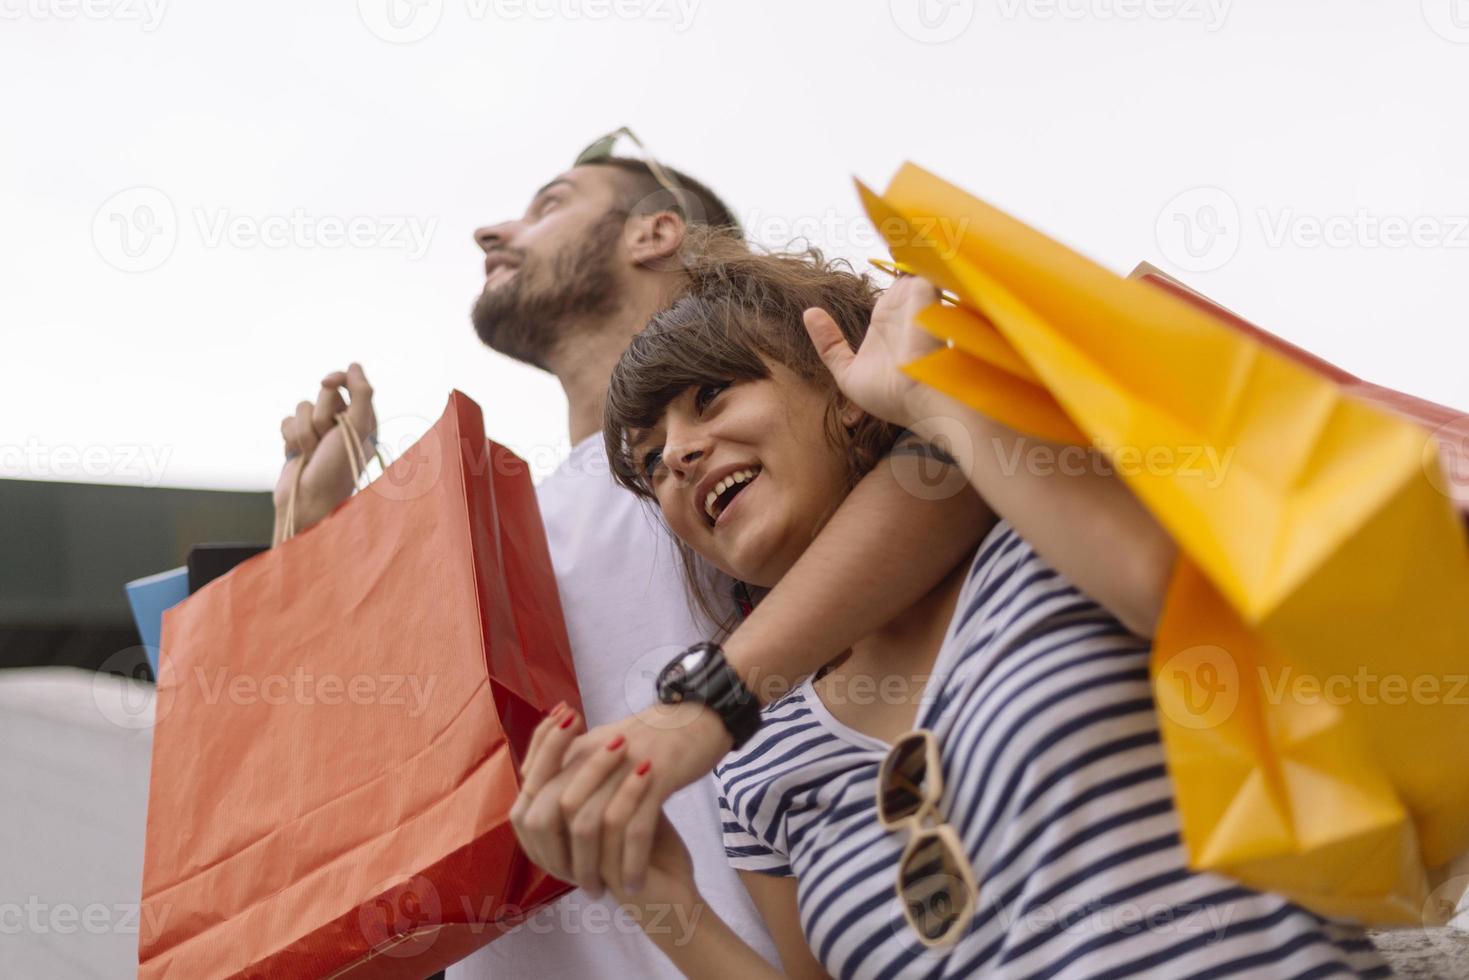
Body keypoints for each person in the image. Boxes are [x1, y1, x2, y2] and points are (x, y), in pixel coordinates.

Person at [514, 233, 1389, 977]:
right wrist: (659, 899)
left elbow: (1168, 590)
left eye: (711, 396)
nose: (678, 455)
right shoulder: (754, 771)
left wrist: (934, 399)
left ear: (843, 388)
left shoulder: (1035, 523)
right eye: (650, 457)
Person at [272, 133, 990, 979]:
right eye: (648, 458)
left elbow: (955, 469)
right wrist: (309, 537)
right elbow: (337, 780)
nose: (489, 233)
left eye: (548, 204)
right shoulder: (490, 532)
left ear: (653, 233)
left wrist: (702, 709)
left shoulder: (778, 463)